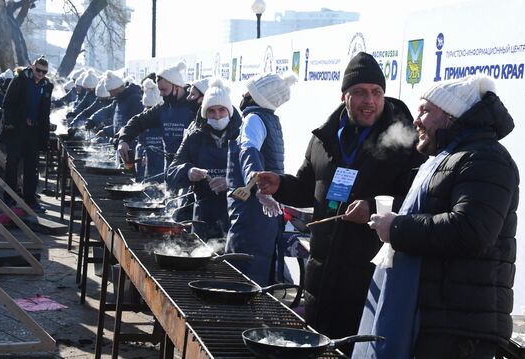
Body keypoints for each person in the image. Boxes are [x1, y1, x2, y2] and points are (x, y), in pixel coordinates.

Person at [255, 52, 426, 354]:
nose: (369, 101)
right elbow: (308, 188)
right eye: (360, 92)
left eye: (376, 92)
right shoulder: (324, 138)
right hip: (322, 273)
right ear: (344, 96)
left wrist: (373, 208)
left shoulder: (407, 141)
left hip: (369, 278)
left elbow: (417, 203)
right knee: (319, 349)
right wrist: (280, 185)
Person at [355, 75, 519, 359]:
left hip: (459, 329)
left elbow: (470, 230)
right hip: (437, 317)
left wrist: (397, 228)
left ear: (451, 115)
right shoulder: (447, 157)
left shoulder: (486, 159)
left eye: (425, 111)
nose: (416, 120)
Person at [225, 72, 297, 286]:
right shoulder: (272, 121)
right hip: (267, 207)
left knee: (243, 271)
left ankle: (240, 317)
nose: (244, 94)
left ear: (255, 96)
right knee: (260, 267)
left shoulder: (253, 119)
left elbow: (249, 152)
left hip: (252, 209)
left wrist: (258, 188)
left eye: (248, 90)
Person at [166, 78, 241, 239]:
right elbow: (171, 173)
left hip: (236, 216)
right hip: (203, 217)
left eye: (222, 110)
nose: (217, 116)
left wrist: (230, 183)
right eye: (211, 111)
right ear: (204, 113)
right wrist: (188, 171)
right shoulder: (194, 137)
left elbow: (257, 176)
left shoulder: (242, 137)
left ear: (229, 111)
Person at [117, 62, 194, 181]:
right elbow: (138, 121)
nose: (161, 94)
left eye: (164, 90)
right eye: (159, 90)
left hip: (192, 172)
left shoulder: (194, 107)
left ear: (177, 85)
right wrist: (124, 140)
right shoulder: (162, 108)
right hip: (170, 171)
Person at [0, 56, 54, 212]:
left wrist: (44, 132)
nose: (41, 74)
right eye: (38, 70)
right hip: (16, 129)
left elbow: (45, 111)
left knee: (32, 166)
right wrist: (12, 123)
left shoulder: (47, 86)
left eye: (44, 72)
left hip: (34, 131)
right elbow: (7, 104)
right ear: (32, 67)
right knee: (12, 165)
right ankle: (9, 198)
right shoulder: (20, 80)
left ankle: (30, 199)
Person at [101, 70, 143, 141]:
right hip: (121, 140)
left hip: (129, 142)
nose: (110, 95)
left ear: (116, 89)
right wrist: (106, 130)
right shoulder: (118, 100)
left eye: (110, 92)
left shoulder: (134, 99)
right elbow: (118, 124)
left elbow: (133, 124)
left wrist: (107, 131)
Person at [135, 78, 164, 180]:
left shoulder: (164, 119)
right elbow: (141, 139)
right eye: (146, 108)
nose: (148, 112)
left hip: (159, 163)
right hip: (142, 159)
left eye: (150, 108)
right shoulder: (143, 116)